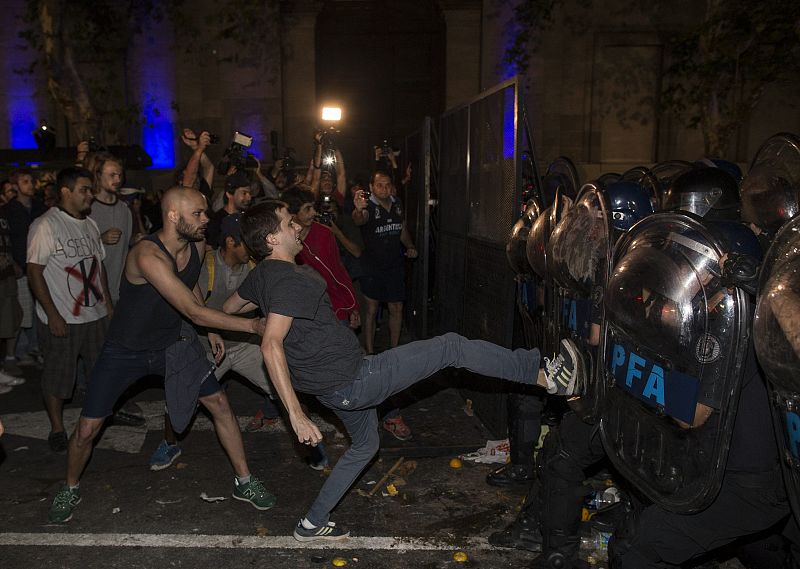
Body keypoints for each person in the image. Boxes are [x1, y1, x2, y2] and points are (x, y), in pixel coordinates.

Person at [224, 200, 552, 542]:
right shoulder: (287, 279)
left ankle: (311, 523)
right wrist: (295, 415)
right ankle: (538, 371)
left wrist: (248, 322)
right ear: (272, 239)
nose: (296, 226)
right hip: (354, 381)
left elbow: (230, 306)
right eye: (289, 222)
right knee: (450, 347)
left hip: (334, 387)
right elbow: (271, 345)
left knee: (365, 446)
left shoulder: (261, 273)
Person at [48, 187, 273, 524]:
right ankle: (69, 486)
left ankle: (244, 480)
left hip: (174, 342)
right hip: (126, 350)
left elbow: (191, 286)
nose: (205, 219)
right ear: (172, 216)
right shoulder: (146, 255)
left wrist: (210, 329)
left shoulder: (197, 244)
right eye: (197, 213)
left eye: (204, 212)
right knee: (86, 428)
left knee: (220, 405)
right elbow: (191, 310)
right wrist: (253, 326)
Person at [147, 213, 281, 471]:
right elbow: (187, 307)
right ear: (230, 242)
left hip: (244, 345)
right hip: (206, 349)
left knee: (283, 385)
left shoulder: (255, 266)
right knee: (178, 398)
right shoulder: (202, 267)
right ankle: (169, 443)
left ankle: (308, 441)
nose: (254, 248)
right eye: (247, 242)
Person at [27, 167, 113, 453]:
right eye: (84, 189)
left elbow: (98, 268)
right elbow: (35, 272)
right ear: (65, 192)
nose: (90, 194)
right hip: (65, 317)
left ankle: (98, 416)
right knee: (58, 377)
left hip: (96, 316)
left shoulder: (90, 225)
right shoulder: (45, 225)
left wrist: (109, 307)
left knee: (101, 371)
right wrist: (51, 313)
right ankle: (57, 426)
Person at [352, 171, 418, 440]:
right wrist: (358, 210)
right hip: (372, 268)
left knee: (397, 309)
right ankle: (368, 350)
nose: (383, 187)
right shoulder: (368, 206)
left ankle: (393, 350)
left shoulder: (397, 203)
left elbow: (401, 228)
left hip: (393, 267)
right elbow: (360, 219)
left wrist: (410, 246)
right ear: (371, 186)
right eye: (378, 184)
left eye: (387, 184)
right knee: (370, 311)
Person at [206, 171, 253, 248]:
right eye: (244, 193)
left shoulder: (247, 218)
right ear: (229, 194)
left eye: (250, 193)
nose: (249, 198)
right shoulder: (216, 221)